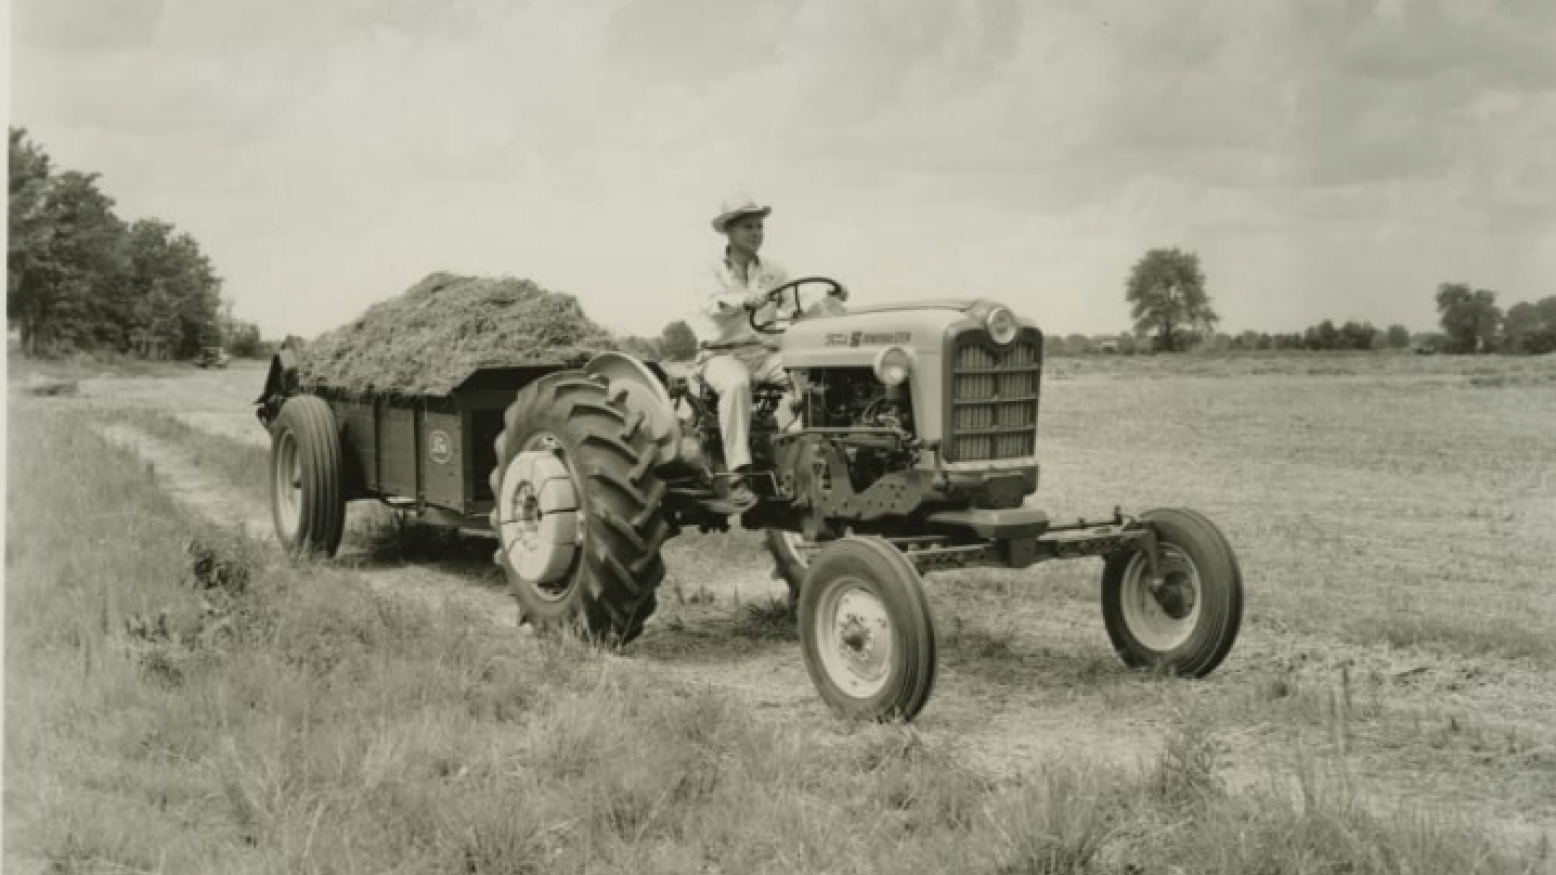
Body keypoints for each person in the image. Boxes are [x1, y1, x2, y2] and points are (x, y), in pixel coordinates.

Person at [695, 195, 844, 509]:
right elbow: (712, 303)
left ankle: (813, 458)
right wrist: (742, 300)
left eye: (760, 227)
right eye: (748, 227)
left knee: (810, 377)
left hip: (763, 354)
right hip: (722, 355)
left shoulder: (775, 270)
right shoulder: (709, 269)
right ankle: (738, 474)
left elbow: (794, 308)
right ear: (729, 232)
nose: (756, 233)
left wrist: (827, 302)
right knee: (736, 385)